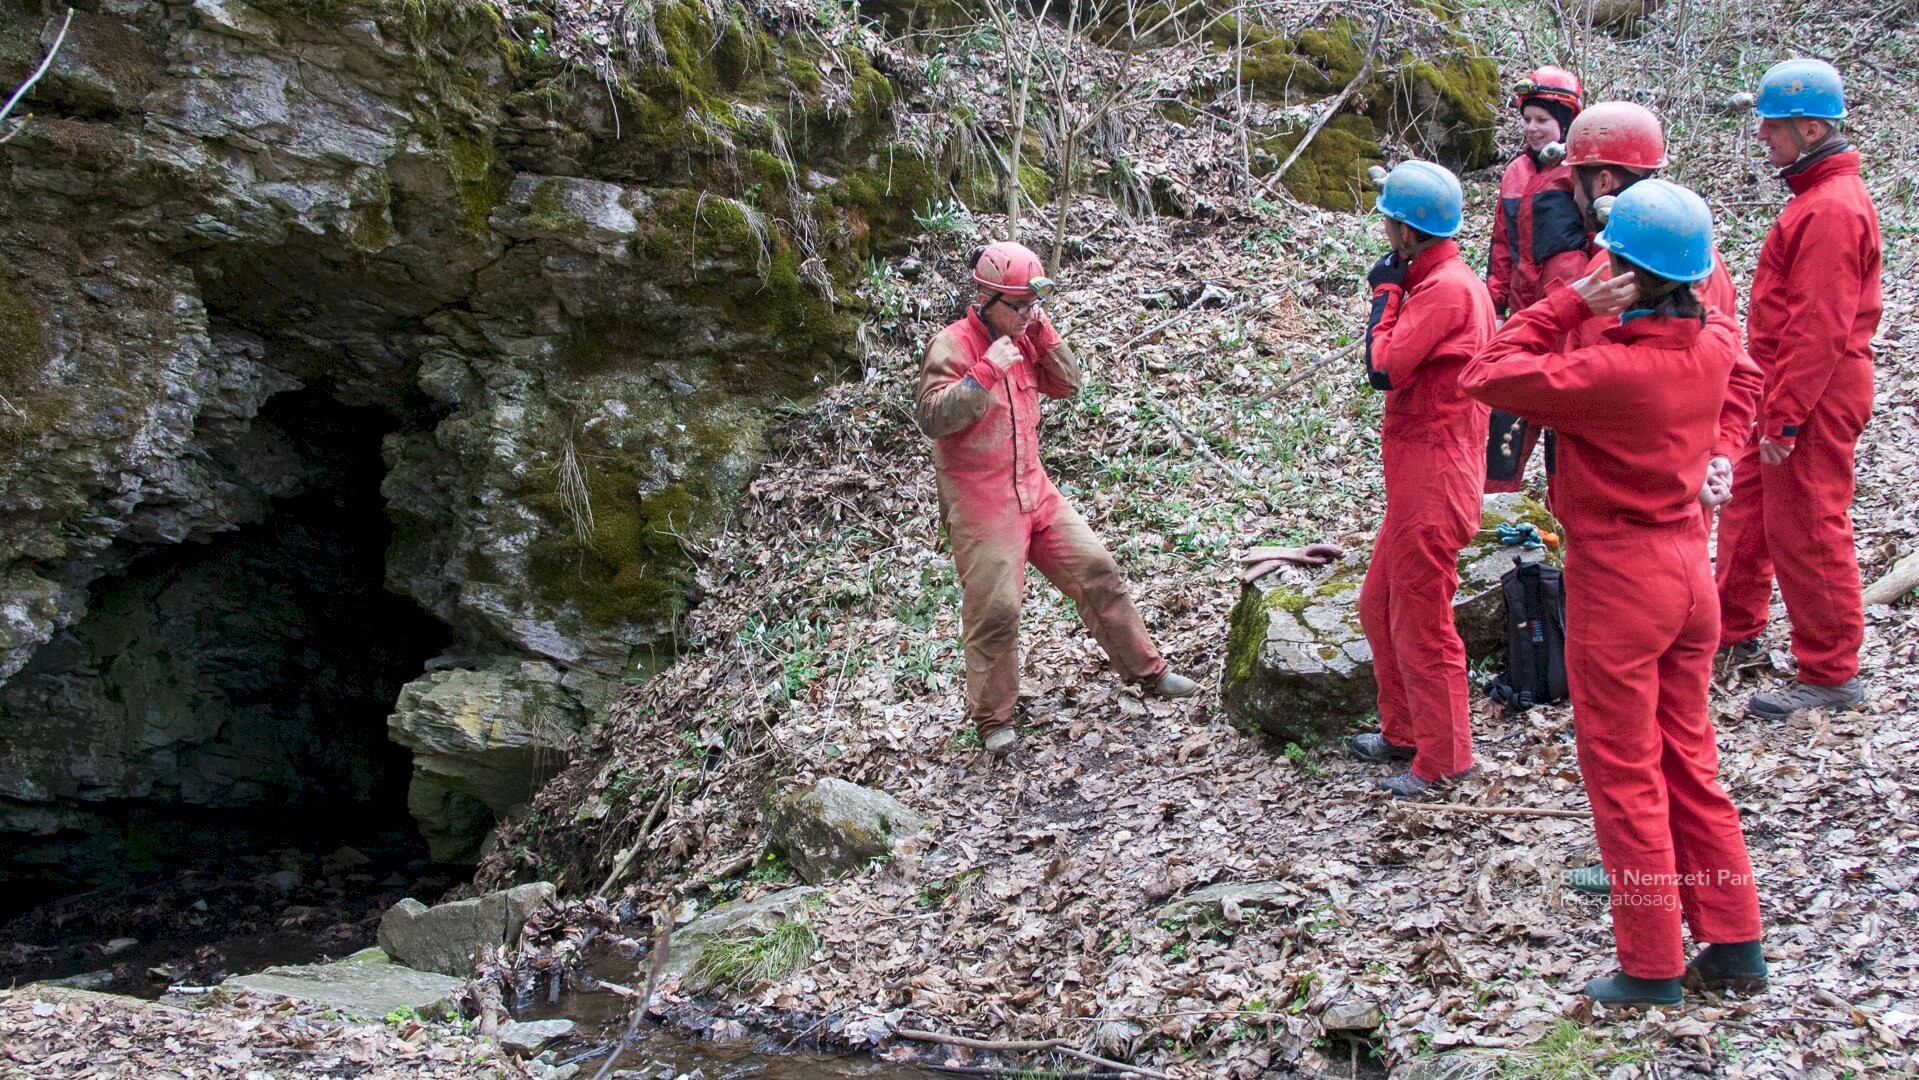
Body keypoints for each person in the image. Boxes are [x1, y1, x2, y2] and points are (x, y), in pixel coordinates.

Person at [1460, 180, 1766, 1005]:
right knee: (1689, 759)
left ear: (1622, 274)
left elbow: (1486, 373)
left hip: (1620, 580)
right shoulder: (1709, 346)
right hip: (1688, 572)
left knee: (1625, 774)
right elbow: (1743, 374)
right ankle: (1734, 942)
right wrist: (1720, 452)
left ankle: (1650, 963)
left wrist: (1568, 302)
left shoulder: (1606, 371)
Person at [915, 241, 1198, 756]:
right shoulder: (952, 345)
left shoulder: (1027, 334)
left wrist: (1041, 331)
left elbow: (1068, 384)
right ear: (985, 299)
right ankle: (994, 721)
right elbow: (932, 418)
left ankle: (1149, 672)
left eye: (1034, 305)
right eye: (1019, 306)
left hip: (1034, 488)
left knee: (1098, 570)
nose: (1028, 315)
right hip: (981, 502)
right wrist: (985, 372)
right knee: (997, 609)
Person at [1714, 58, 1881, 719]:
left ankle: (1831, 672)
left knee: (1808, 526)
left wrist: (1784, 417)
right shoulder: (1816, 199)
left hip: (1813, 390)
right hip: (1785, 384)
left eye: (1771, 126)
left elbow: (1818, 326)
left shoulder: (1831, 208)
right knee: (1750, 507)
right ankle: (1731, 631)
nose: (1761, 136)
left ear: (1810, 130)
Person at [1343, 162, 1496, 798]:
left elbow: (1384, 366)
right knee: (1378, 604)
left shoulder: (1447, 290)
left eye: (1389, 222)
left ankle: (1445, 758)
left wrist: (1385, 297)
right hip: (1419, 475)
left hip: (1435, 478)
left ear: (1407, 232)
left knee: (1422, 621)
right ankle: (1404, 730)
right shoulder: (1439, 280)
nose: (1384, 231)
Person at [1485, 65, 1592, 495]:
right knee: (1506, 412)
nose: (1532, 128)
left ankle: (1566, 508)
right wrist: (1495, 304)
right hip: (1523, 312)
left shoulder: (1581, 172)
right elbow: (1502, 245)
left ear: (1565, 122)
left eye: (1542, 120)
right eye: (1527, 118)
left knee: (1564, 420)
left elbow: (1600, 245)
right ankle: (1494, 505)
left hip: (1572, 315)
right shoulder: (1515, 172)